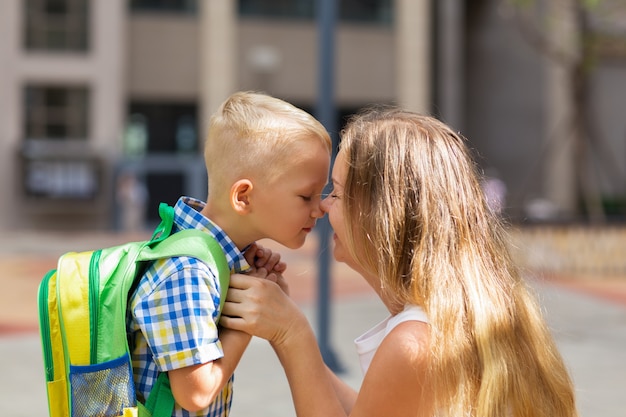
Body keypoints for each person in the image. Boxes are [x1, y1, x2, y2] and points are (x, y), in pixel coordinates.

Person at [221, 107, 579, 417]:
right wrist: (286, 328)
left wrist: (291, 333)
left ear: (383, 215)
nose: (323, 206)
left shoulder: (414, 343)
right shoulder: (450, 318)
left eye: (339, 192)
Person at [126, 91, 331, 416]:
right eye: (306, 196)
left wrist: (249, 277)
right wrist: (247, 319)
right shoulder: (188, 270)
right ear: (244, 197)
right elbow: (195, 392)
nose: (319, 208)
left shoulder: (213, 259)